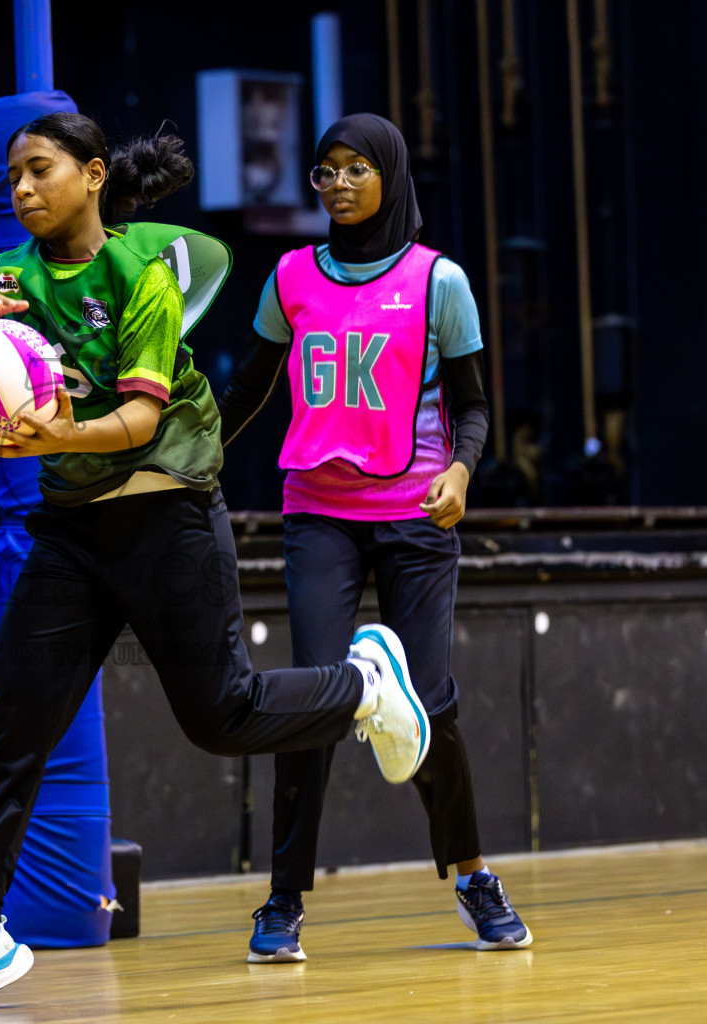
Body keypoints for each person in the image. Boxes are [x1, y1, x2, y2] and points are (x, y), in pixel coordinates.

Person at [0, 111, 431, 1015]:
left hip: (169, 519)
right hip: (71, 535)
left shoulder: (140, 274)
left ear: (94, 174)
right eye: (14, 178)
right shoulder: (4, 275)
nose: (22, 190)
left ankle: (364, 687)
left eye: (40, 172)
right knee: (11, 726)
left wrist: (58, 431)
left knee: (224, 715)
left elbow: (141, 421)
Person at [217, 113, 532, 963]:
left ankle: (471, 874)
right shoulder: (289, 278)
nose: (341, 183)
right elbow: (249, 387)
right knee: (312, 703)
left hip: (415, 518)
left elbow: (472, 406)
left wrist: (462, 472)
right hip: (319, 515)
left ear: (392, 174)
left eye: (358, 167)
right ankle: (282, 901)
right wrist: (189, 454)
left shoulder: (441, 282)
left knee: (428, 706)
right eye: (326, 170)